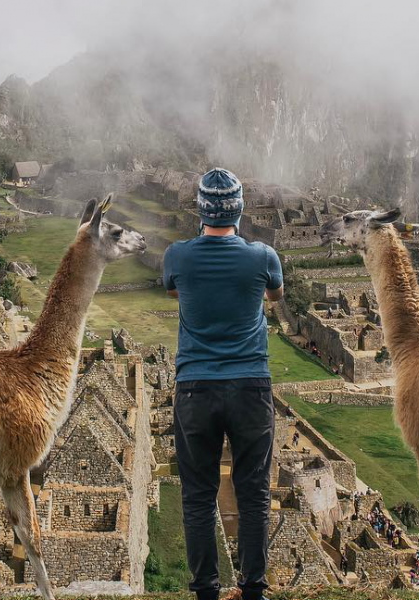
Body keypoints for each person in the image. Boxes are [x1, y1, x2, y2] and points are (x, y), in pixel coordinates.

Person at [164, 168, 284, 600]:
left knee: (199, 496)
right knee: (253, 492)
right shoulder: (263, 257)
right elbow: (274, 296)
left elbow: (176, 293)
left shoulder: (177, 256)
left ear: (200, 210)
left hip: (196, 387)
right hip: (251, 386)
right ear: (239, 209)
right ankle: (253, 590)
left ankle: (206, 592)